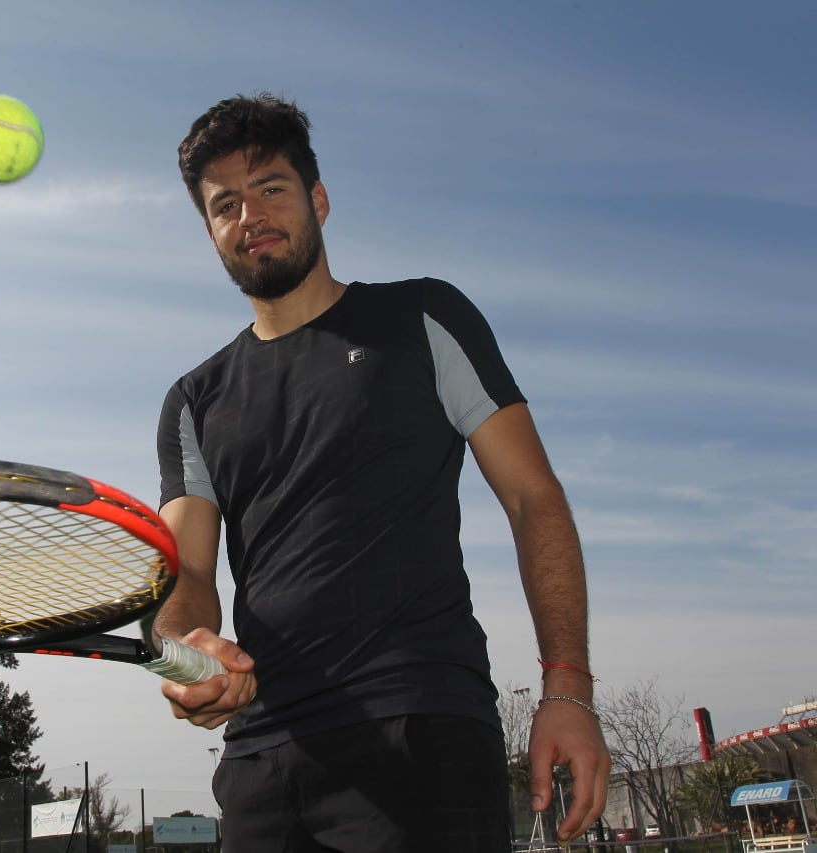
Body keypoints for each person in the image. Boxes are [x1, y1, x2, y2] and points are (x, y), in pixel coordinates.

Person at [150, 93, 610, 852]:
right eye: (225, 203)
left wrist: (568, 688)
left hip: (419, 729)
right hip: (262, 755)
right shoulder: (194, 400)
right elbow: (186, 570)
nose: (250, 215)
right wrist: (185, 650)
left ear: (319, 200)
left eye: (271, 188)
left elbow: (535, 499)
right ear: (210, 231)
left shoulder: (424, 318)